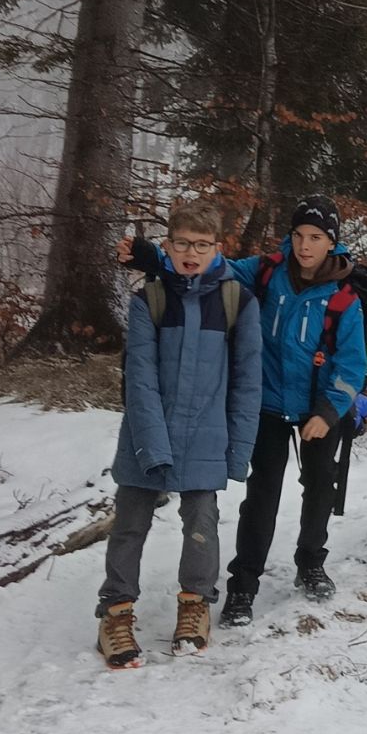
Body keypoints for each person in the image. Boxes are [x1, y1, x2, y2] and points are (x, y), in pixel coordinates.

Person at [119, 193, 367, 625]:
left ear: (332, 243)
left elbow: (351, 364)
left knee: (320, 487)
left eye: (315, 237)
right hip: (267, 404)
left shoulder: (345, 297)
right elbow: (210, 266)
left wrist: (328, 412)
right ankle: (243, 586)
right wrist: (153, 257)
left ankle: (310, 560)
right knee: (262, 497)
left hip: (320, 407)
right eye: (298, 235)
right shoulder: (267, 271)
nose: (305, 245)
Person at [97, 198, 262, 669]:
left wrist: (239, 450)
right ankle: (115, 611)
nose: (192, 252)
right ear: (167, 245)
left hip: (207, 434)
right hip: (146, 433)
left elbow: (249, 382)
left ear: (218, 248)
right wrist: (152, 443)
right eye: (183, 243)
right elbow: (140, 378)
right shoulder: (149, 299)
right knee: (129, 525)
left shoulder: (237, 302)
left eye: (202, 245)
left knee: (201, 525)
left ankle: (195, 606)